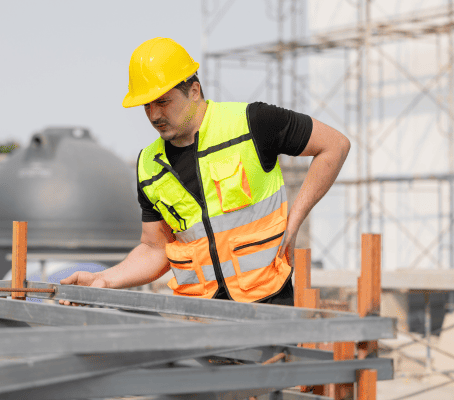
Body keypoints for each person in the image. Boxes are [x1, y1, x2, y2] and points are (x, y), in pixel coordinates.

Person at [59, 37, 350, 306]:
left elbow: (334, 145)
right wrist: (104, 279)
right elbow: (154, 248)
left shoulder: (252, 123)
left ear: (194, 90)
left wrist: (295, 219)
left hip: (269, 307)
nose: (154, 115)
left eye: (163, 101)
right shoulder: (149, 164)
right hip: (201, 318)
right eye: (146, 105)